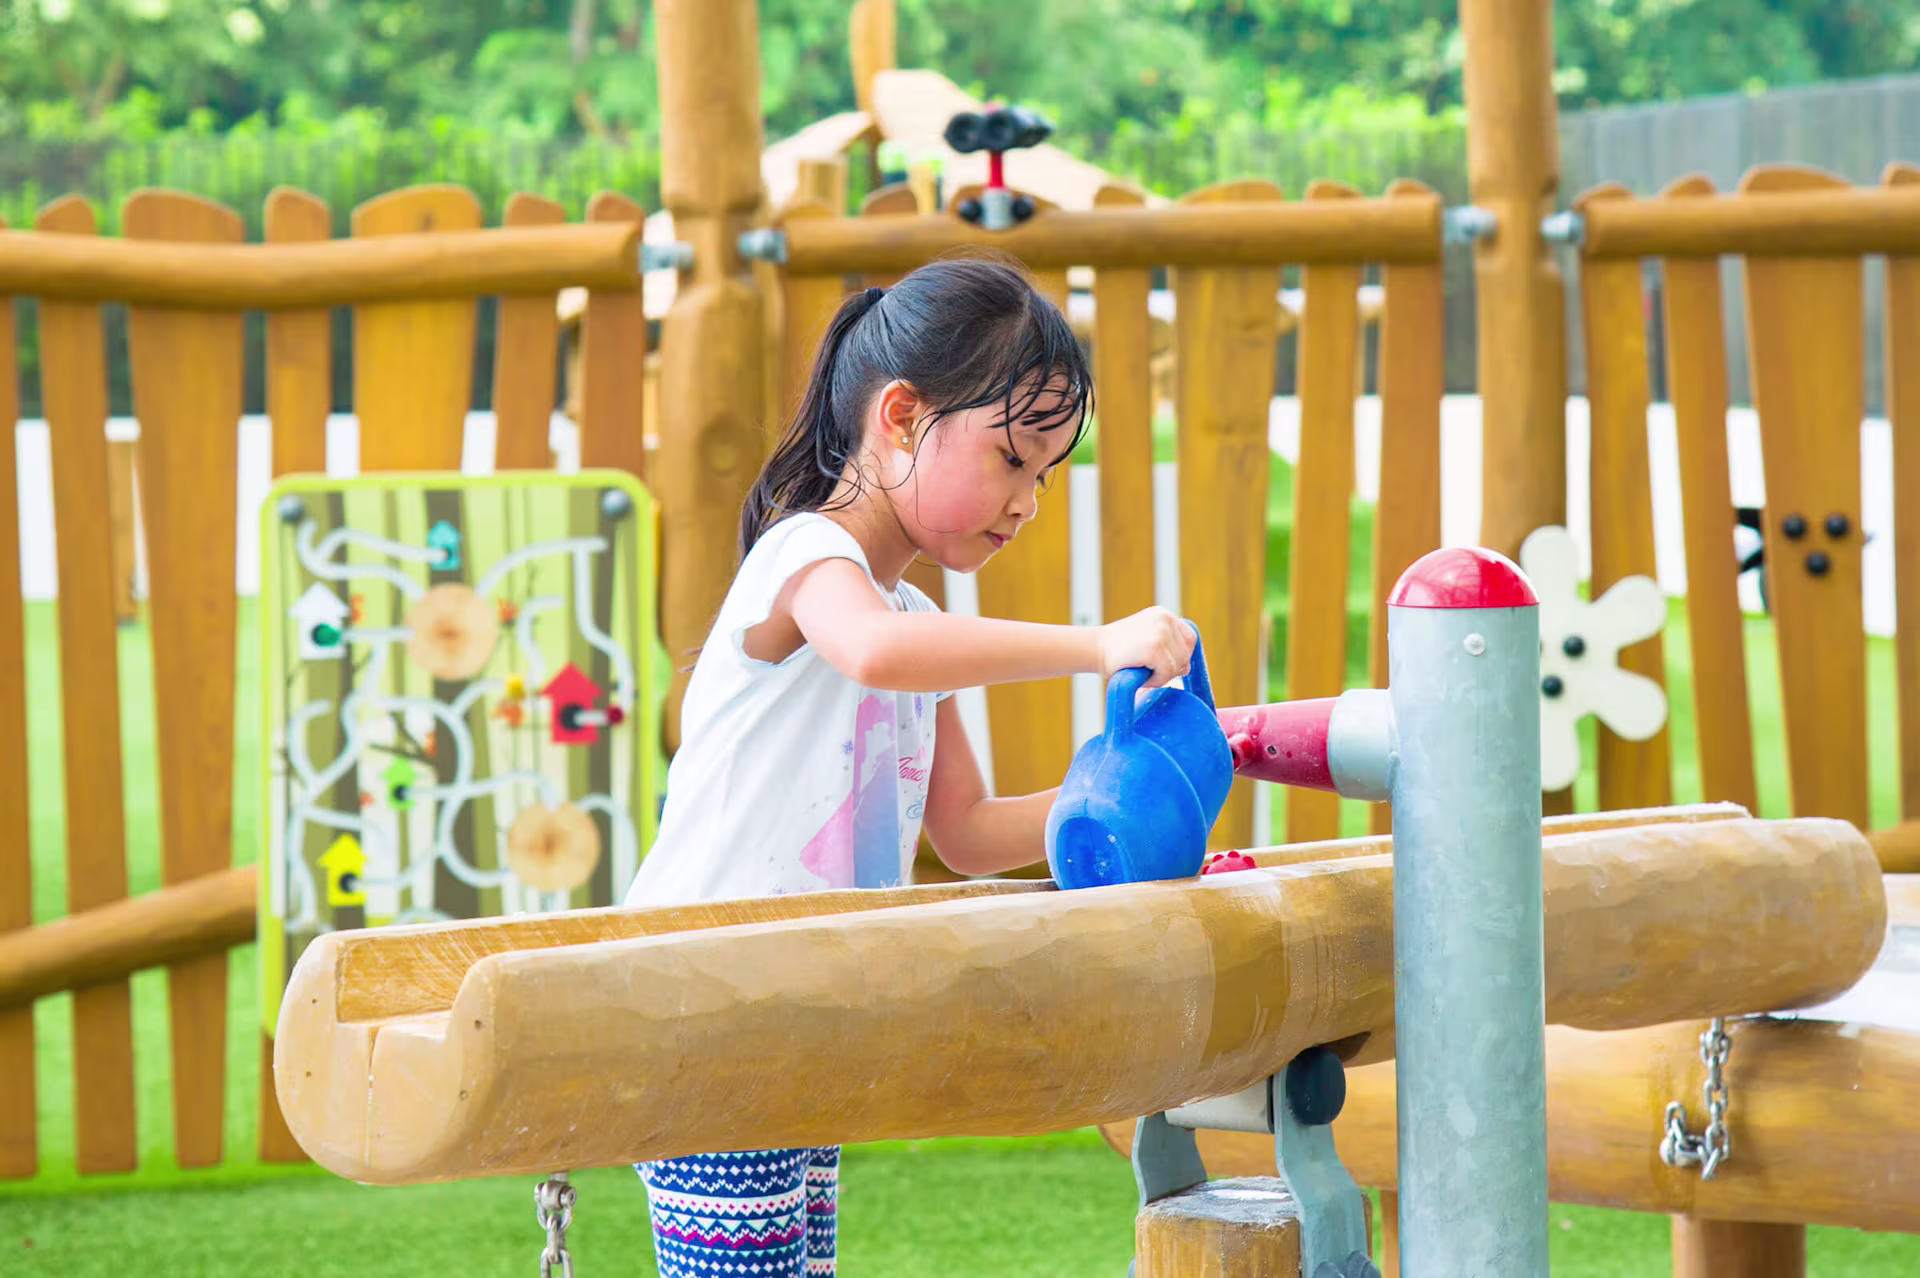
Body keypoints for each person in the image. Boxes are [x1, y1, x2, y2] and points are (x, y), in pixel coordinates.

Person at [625, 255, 1195, 1278]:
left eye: (1046, 473)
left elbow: (966, 833)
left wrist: (1117, 795)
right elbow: (876, 656)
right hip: (705, 1001)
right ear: (900, 418)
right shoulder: (806, 559)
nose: (1028, 500)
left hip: (801, 1009)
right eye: (1014, 457)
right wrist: (1092, 644)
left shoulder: (914, 618)